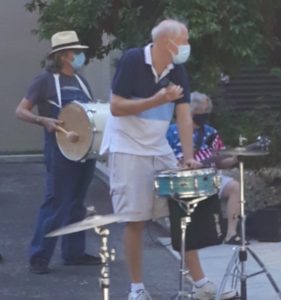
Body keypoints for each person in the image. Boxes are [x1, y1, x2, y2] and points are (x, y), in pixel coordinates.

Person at [100, 18, 235, 300]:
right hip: (127, 147)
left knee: (181, 211)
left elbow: (184, 114)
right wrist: (158, 99)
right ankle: (136, 289)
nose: (187, 46)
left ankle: (200, 283)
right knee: (135, 220)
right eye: (184, 40)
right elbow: (116, 107)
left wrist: (187, 157)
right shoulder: (133, 59)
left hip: (158, 146)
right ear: (166, 42)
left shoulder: (178, 69)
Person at [15, 31, 101, 274]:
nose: (81, 56)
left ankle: (74, 253)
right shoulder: (44, 80)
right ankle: (39, 257)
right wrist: (44, 120)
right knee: (56, 202)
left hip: (84, 148)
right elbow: (20, 111)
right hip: (60, 148)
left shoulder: (82, 81)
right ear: (64, 56)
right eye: (77, 52)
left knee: (76, 203)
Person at [167, 91, 241, 244]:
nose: (204, 114)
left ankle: (231, 233)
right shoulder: (173, 131)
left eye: (207, 110)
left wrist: (234, 158)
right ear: (191, 111)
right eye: (201, 110)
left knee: (235, 187)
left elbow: (220, 161)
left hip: (211, 177)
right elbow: (169, 161)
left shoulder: (211, 132)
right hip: (186, 180)